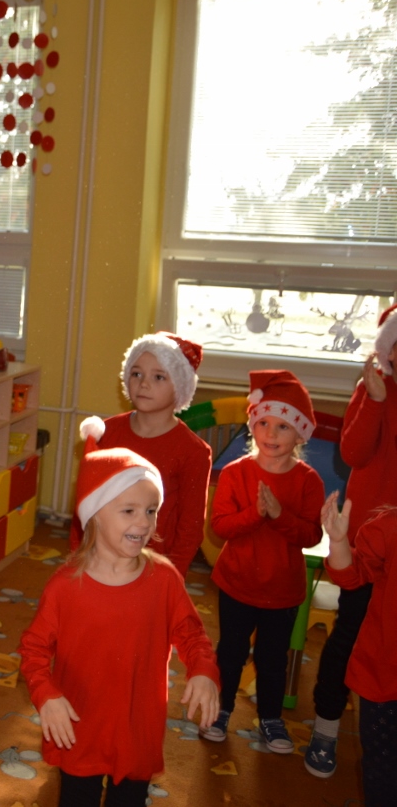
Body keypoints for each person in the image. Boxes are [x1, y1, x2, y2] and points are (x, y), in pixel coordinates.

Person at [20, 418, 219, 807]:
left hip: (136, 728)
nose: (144, 522)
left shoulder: (164, 578)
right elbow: (33, 649)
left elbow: (192, 633)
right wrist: (46, 696)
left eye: (151, 510)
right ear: (95, 514)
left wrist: (203, 670)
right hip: (79, 725)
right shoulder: (65, 586)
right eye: (129, 510)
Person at [201, 370, 325, 752]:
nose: (271, 433)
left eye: (283, 426)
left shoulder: (308, 481)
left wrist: (279, 515)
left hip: (282, 591)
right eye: (264, 423)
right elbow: (220, 527)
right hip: (237, 583)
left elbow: (311, 535)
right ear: (252, 425)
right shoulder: (235, 473)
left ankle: (271, 719)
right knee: (230, 653)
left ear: (300, 434)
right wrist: (257, 514)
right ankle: (220, 710)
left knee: (273, 659)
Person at [305, 305, 397, 778]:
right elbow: (353, 452)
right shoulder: (373, 387)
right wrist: (377, 398)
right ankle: (325, 729)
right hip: (366, 545)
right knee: (351, 634)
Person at [67, 332, 211, 577]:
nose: (144, 384)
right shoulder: (105, 433)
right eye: (136, 374)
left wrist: (171, 576)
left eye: (158, 377)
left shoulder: (193, 451)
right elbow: (84, 505)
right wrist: (77, 558)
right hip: (99, 560)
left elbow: (191, 527)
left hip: (151, 567)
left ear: (180, 386)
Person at [321, 493, 397, 806]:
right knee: (382, 770)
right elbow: (353, 575)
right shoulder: (390, 526)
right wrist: (338, 541)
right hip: (383, 678)